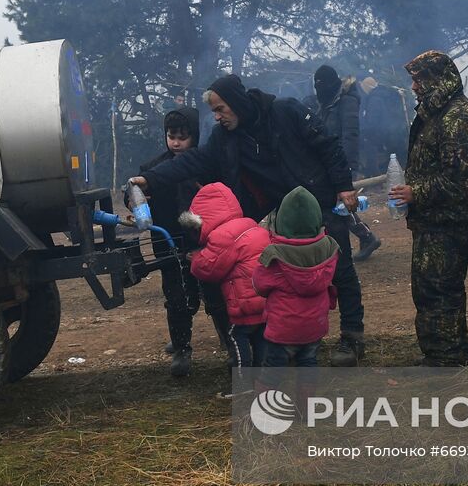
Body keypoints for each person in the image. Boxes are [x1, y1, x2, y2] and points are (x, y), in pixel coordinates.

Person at [134, 74, 368, 366]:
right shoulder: (224, 138)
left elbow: (328, 145)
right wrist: (150, 180)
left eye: (220, 109)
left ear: (238, 102)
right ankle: (283, 341)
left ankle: (352, 337)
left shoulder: (286, 111)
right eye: (214, 112)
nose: (217, 117)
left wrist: (343, 185)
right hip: (270, 214)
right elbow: (194, 161)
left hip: (316, 199)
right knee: (277, 277)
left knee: (338, 265)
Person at [391, 50, 468, 366]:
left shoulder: (457, 118)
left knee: (440, 292)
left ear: (438, 79)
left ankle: (448, 358)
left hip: (449, 225)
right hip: (433, 222)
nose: (415, 87)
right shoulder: (436, 114)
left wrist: (415, 192)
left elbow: (461, 181)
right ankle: (445, 352)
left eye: (420, 79)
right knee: (432, 290)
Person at [134, 107, 232, 376]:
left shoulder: (208, 168)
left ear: (195, 136)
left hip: (206, 243)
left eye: (183, 136)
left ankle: (230, 340)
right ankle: (181, 347)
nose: (176, 142)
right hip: (169, 244)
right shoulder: (152, 170)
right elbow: (137, 199)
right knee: (177, 296)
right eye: (171, 136)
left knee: (216, 293)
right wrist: (136, 199)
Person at [182, 182, 271, 383]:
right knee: (260, 339)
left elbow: (209, 269)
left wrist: (195, 258)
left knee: (236, 336)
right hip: (264, 299)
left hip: (244, 303)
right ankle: (263, 382)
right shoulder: (249, 224)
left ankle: (243, 384)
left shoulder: (221, 236)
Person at [254, 186, 338, 367]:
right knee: (308, 363)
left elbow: (259, 286)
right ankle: (307, 396)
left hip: (283, 329)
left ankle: (266, 396)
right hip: (315, 325)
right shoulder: (329, 248)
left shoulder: (274, 255)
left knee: (272, 371)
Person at [313, 64, 381, 262]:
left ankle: (364, 237)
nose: (319, 89)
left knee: (337, 204)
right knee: (337, 204)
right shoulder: (328, 102)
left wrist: (348, 168)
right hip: (329, 161)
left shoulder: (346, 101)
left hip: (340, 162)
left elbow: (350, 136)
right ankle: (366, 236)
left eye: (322, 85)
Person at [359, 76, 405, 177]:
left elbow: (372, 119)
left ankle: (374, 174)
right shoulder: (383, 95)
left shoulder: (374, 99)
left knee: (371, 148)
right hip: (389, 129)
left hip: (377, 130)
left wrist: (365, 130)